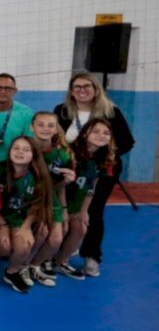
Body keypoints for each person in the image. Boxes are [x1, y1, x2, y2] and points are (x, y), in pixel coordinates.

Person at [53, 71, 134, 277]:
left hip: (101, 171)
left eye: (87, 86)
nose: (82, 90)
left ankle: (91, 256)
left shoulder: (111, 111)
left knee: (93, 212)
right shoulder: (62, 111)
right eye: (77, 87)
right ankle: (62, 251)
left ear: (96, 89)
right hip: (71, 170)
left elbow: (127, 141)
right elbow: (56, 141)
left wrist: (103, 154)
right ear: (71, 91)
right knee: (67, 209)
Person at [51, 118, 117, 281]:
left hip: (76, 205)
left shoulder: (103, 158)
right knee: (61, 229)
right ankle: (41, 262)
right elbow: (60, 186)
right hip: (57, 201)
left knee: (81, 228)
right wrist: (64, 211)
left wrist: (83, 212)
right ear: (85, 132)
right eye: (95, 131)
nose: (101, 135)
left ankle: (60, 262)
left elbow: (91, 188)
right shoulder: (69, 154)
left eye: (106, 133)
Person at [0, 136, 53, 294]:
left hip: (18, 218)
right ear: (9, 151)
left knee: (25, 243)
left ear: (33, 155)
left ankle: (12, 272)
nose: (20, 152)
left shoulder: (38, 176)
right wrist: (3, 226)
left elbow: (36, 204)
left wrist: (26, 227)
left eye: (26, 150)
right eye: (16, 148)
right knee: (4, 245)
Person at [25, 111, 73, 287]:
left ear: (56, 129)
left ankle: (34, 266)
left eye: (50, 125)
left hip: (51, 201)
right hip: (28, 201)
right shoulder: (23, 149)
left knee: (56, 239)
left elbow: (59, 187)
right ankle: (23, 266)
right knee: (41, 231)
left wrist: (65, 209)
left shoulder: (63, 156)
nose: (45, 128)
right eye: (41, 124)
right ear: (32, 127)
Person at [0, 73, 34, 166]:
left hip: (14, 165)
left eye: (7, 88)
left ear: (14, 91)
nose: (3, 91)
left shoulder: (26, 113)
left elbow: (29, 142)